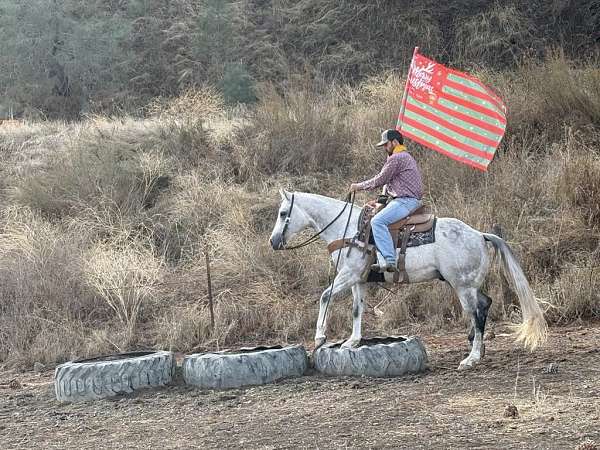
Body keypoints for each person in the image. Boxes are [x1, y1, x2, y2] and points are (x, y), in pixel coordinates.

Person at [350, 129, 423, 272]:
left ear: (394, 142)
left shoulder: (397, 158)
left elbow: (380, 180)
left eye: (386, 144)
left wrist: (357, 186)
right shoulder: (404, 156)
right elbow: (389, 184)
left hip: (405, 201)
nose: (384, 147)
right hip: (404, 199)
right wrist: (379, 200)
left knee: (377, 221)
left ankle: (389, 260)